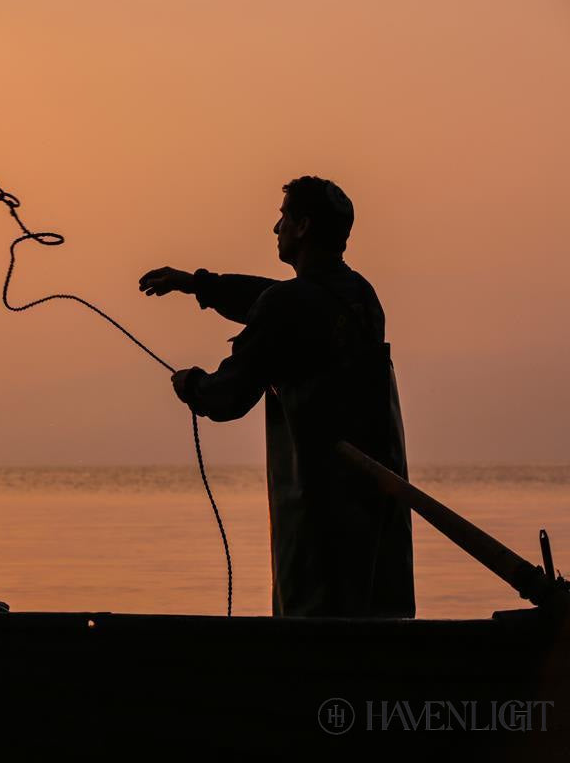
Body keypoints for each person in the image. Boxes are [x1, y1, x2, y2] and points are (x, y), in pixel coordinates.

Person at [138, 176, 414, 618]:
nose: (275, 228)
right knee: (373, 624)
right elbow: (276, 299)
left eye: (283, 216)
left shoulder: (296, 303)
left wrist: (192, 386)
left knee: (312, 631)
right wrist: (198, 285)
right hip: (375, 516)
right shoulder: (361, 296)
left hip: (318, 517)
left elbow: (228, 397)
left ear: (302, 227)